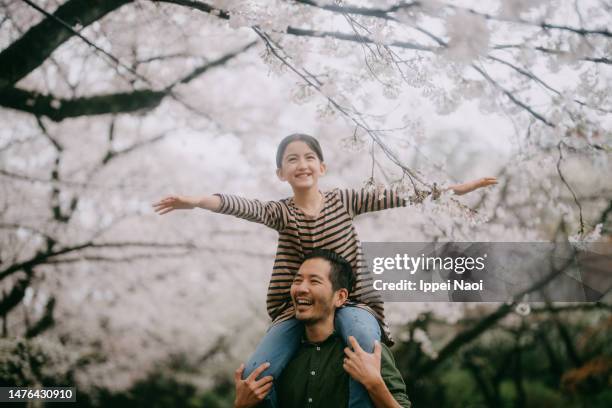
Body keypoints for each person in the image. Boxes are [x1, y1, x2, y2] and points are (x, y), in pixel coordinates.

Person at [152, 133, 496, 407]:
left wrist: (453, 190)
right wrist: (197, 202)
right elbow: (242, 206)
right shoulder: (281, 212)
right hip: (296, 307)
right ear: (280, 173)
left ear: (322, 167)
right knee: (258, 370)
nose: (301, 164)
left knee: (363, 345)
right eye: (291, 159)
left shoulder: (344, 201)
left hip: (354, 300)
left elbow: (397, 195)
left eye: (309, 157)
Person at [233, 248, 411, 408]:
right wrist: (241, 406)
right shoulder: (276, 357)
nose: (302, 288)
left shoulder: (366, 353)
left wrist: (374, 384)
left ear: (340, 297)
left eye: (314, 282)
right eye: (298, 280)